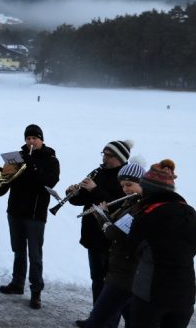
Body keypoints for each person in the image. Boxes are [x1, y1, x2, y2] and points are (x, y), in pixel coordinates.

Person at [119, 160, 196, 328]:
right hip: (184, 299)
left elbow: (129, 251)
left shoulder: (145, 217)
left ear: (148, 190)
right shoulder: (195, 218)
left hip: (149, 296)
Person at [68, 140, 131, 327]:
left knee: (111, 284)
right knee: (97, 279)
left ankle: (109, 323)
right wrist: (74, 194)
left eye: (109, 155)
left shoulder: (124, 177)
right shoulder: (99, 171)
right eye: (103, 153)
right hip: (93, 235)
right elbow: (84, 201)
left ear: (120, 158)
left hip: (111, 237)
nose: (104, 157)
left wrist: (94, 189)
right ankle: (96, 319)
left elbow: (119, 203)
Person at [0, 124, 60, 310]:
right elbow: (8, 182)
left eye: (35, 138)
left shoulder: (51, 160)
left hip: (35, 215)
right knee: (18, 250)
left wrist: (31, 165)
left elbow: (48, 181)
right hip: (15, 210)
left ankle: (36, 291)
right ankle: (17, 284)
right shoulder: (17, 156)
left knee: (35, 255)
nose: (31, 142)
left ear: (41, 139)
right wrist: (4, 177)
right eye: (28, 138)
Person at [86, 161, 146, 328]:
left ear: (142, 183)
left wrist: (102, 217)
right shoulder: (131, 202)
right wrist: (104, 215)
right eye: (123, 185)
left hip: (129, 271)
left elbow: (113, 233)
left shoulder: (141, 206)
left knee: (112, 314)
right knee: (125, 312)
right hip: (123, 268)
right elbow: (118, 228)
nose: (126, 189)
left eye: (129, 184)